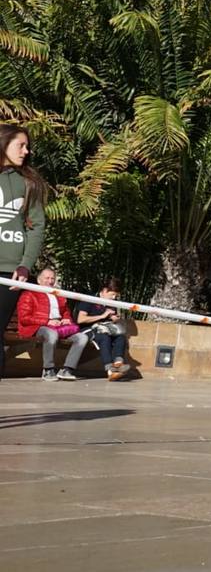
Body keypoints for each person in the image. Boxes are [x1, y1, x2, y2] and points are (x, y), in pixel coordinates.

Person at [0, 123, 47, 381]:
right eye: (21, 145)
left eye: (28, 146)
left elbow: (37, 226)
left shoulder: (29, 183)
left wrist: (25, 265)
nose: (26, 151)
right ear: (3, 143)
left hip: (8, 271)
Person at [17, 268, 89, 380]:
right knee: (51, 334)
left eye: (52, 278)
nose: (50, 281)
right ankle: (48, 370)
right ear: (39, 280)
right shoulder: (29, 294)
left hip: (59, 327)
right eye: (47, 278)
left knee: (82, 337)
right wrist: (47, 321)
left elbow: (66, 313)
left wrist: (67, 319)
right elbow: (24, 318)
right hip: (37, 327)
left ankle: (67, 370)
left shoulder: (59, 295)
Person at [74, 279, 132, 380]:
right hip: (88, 328)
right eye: (112, 294)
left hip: (105, 328)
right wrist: (102, 316)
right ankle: (110, 370)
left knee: (120, 337)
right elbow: (80, 319)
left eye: (116, 296)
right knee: (104, 337)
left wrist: (113, 318)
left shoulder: (112, 303)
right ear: (104, 291)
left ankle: (118, 364)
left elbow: (110, 319)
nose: (114, 298)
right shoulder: (90, 299)